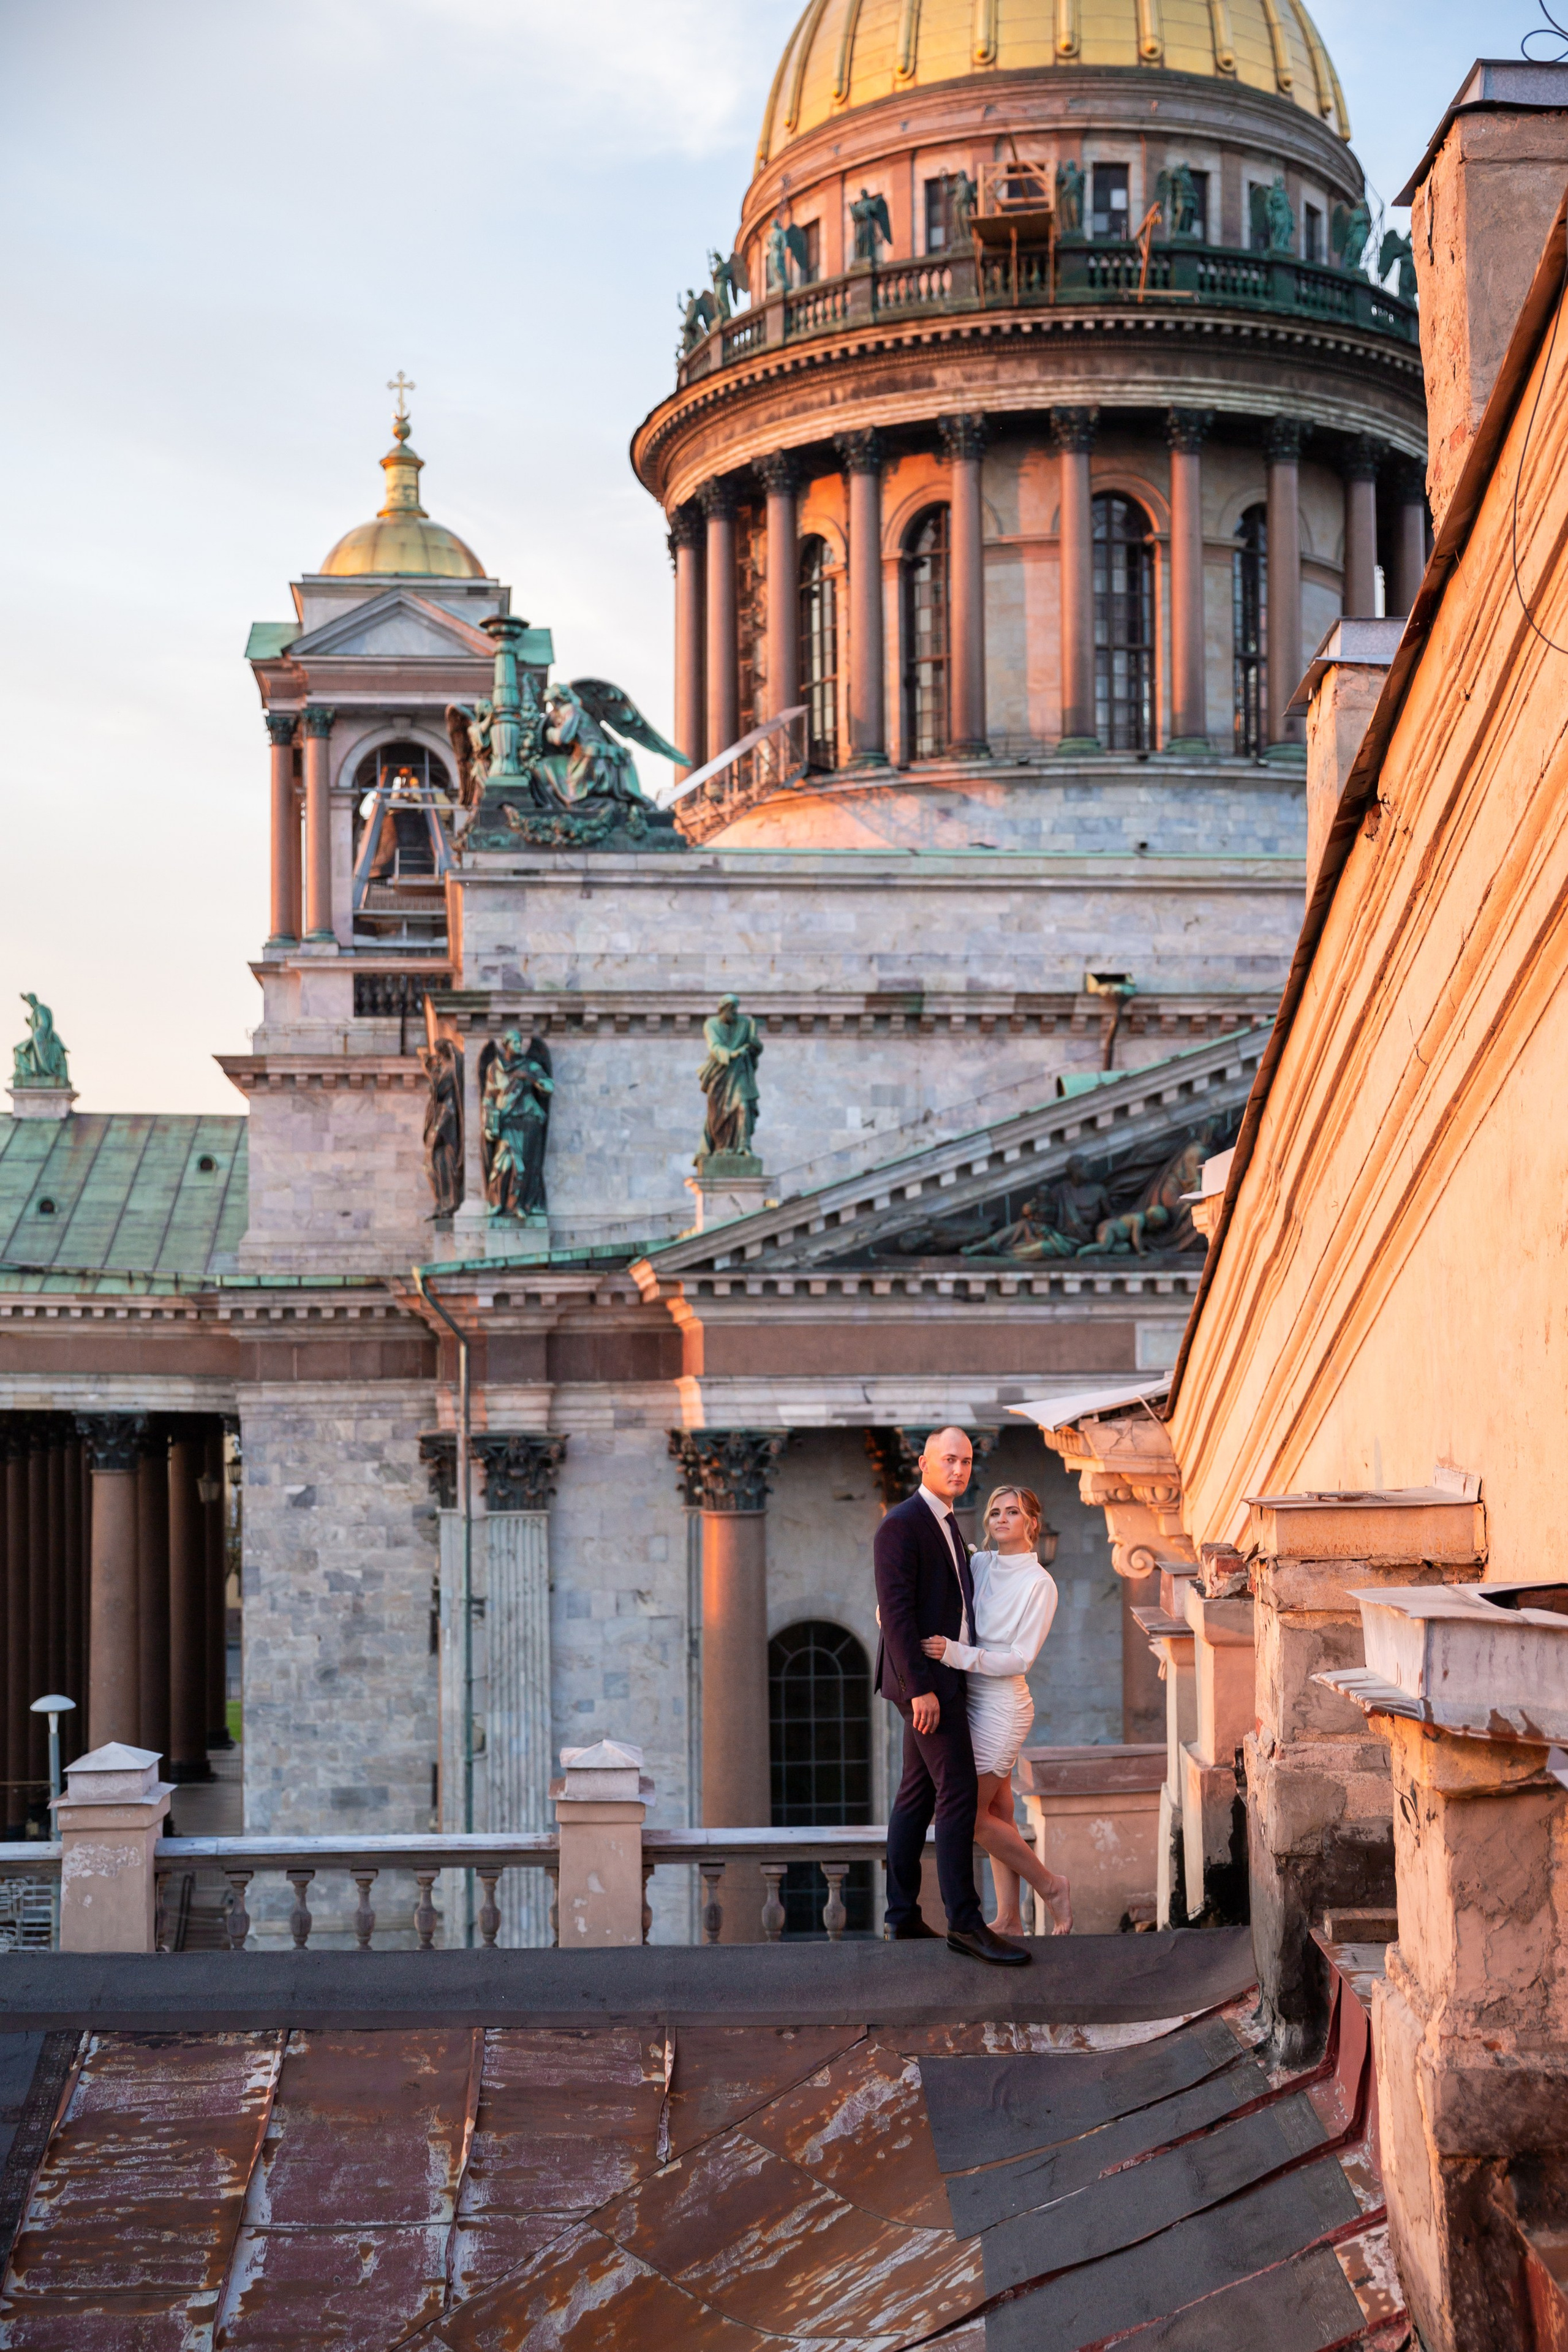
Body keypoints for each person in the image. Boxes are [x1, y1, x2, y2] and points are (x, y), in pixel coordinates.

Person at [874, 1428, 1030, 1967]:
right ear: (923, 1463)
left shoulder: (946, 1522)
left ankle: (900, 1917)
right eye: (948, 1460)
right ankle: (965, 1923)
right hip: (925, 1682)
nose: (959, 1470)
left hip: (944, 1676)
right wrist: (919, 1688)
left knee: (915, 1795)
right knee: (959, 1791)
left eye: (965, 1461)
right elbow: (894, 1614)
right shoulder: (902, 1525)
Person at [922, 1485, 1072, 1937]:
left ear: (1032, 1523)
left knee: (966, 1814)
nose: (1001, 1519)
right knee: (999, 1816)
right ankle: (1009, 1918)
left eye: (1013, 1512)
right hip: (970, 1700)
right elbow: (940, 1596)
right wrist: (896, 1612)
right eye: (995, 1512)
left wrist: (955, 1655)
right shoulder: (980, 1564)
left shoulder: (1039, 1585)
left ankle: (1052, 1886)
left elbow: (1021, 1658)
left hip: (1003, 1706)